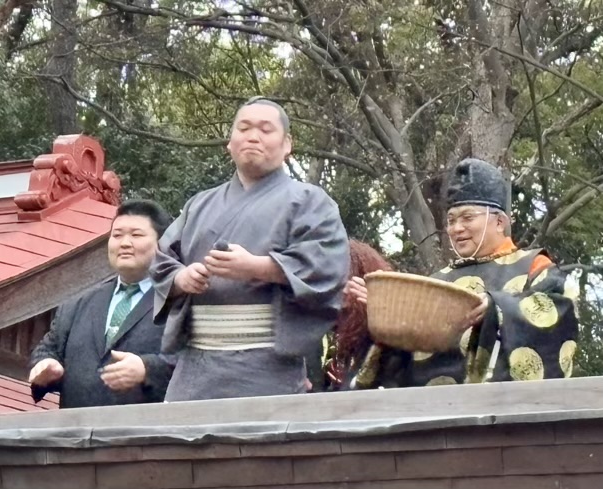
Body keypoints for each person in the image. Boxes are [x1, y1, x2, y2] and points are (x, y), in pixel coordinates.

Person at [151, 96, 350, 401]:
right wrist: (181, 279)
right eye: (243, 128)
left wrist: (258, 267)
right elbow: (163, 260)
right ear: (229, 143)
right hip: (196, 368)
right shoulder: (199, 204)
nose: (253, 136)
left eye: (265, 129)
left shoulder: (310, 201)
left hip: (267, 364)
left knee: (263, 444)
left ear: (287, 144)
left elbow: (327, 266)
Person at [346, 158, 579, 387]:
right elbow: (404, 354)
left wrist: (496, 308)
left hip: (502, 413)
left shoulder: (534, 266)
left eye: (468, 217)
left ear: (499, 222)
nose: (457, 228)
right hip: (433, 410)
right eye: (451, 220)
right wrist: (389, 310)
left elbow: (558, 314)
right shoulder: (436, 282)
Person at [29, 199, 175, 408]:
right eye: (117, 235)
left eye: (136, 235)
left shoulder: (178, 301)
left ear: (163, 244)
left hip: (145, 434)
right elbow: (48, 349)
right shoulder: (78, 303)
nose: (124, 243)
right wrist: (45, 366)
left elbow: (197, 362)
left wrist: (148, 369)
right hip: (76, 434)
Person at [322, 239, 393, 390]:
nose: (342, 289)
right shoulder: (326, 329)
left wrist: (382, 311)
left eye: (345, 277)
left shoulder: (387, 329)